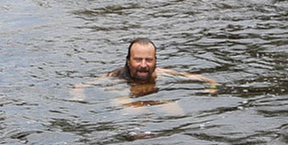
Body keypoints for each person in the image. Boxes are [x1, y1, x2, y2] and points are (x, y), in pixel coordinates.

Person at [70, 38, 216, 99]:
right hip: (127, 98)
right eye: (138, 60)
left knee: (175, 112)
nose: (144, 65)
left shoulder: (159, 73)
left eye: (149, 60)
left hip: (152, 96)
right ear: (128, 61)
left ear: (155, 62)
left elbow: (204, 79)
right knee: (134, 109)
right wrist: (78, 95)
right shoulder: (115, 77)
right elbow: (80, 86)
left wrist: (211, 86)